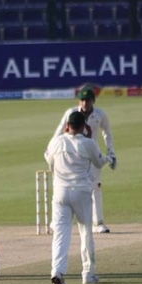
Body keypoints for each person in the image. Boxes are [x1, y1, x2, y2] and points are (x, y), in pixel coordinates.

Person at [44, 111, 116, 284]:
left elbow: (49, 162)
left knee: (60, 234)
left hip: (60, 193)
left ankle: (57, 272)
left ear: (67, 125)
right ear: (84, 127)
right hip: (81, 193)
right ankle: (88, 274)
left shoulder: (56, 141)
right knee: (86, 232)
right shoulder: (88, 143)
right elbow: (99, 163)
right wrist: (108, 158)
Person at [52, 86, 116, 234]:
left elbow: (108, 133)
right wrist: (52, 150)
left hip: (92, 155)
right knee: (64, 186)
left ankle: (98, 222)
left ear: (93, 101)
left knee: (96, 187)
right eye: (82, 100)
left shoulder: (100, 114)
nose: (84, 103)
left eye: (87, 100)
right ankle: (56, 221)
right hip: (73, 156)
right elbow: (59, 132)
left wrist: (111, 152)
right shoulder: (71, 113)